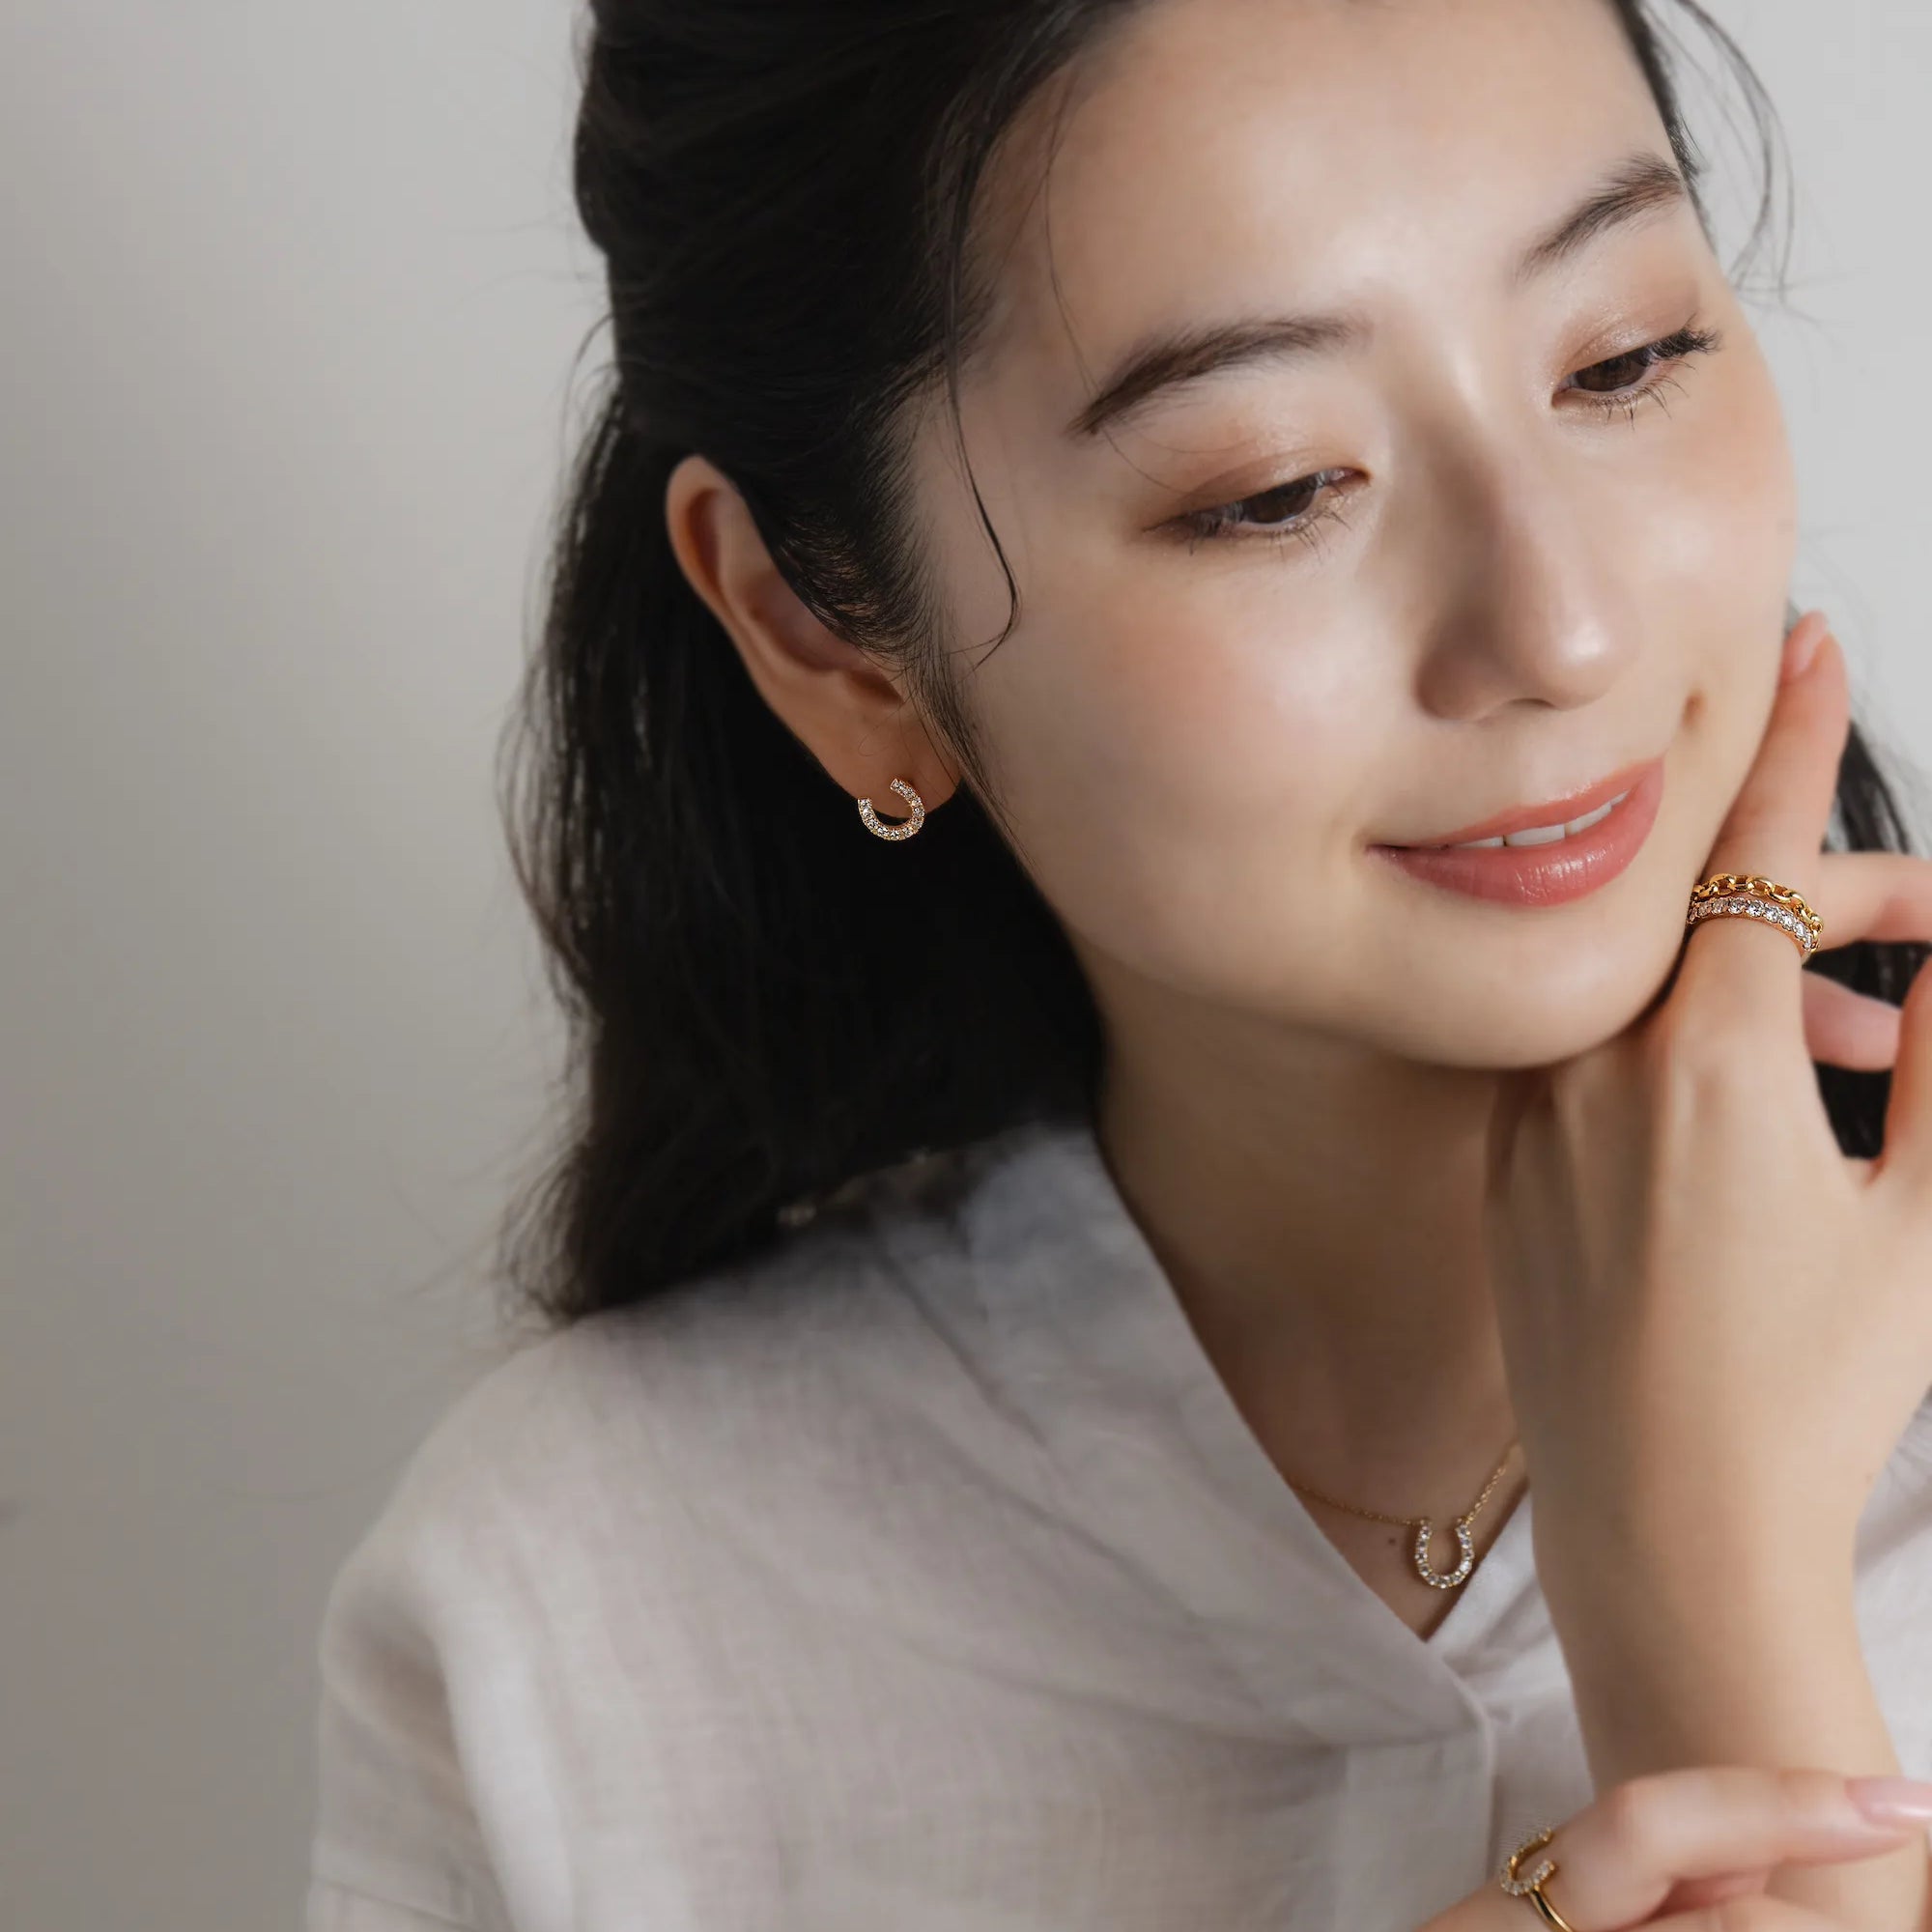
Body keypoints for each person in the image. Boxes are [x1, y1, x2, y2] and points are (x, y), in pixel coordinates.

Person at [303, 2, 1932, 1927]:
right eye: (1273, 487)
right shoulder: (575, 1621)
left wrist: (1699, 1580)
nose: (1559, 628)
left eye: (1624, 358)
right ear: (825, 635)